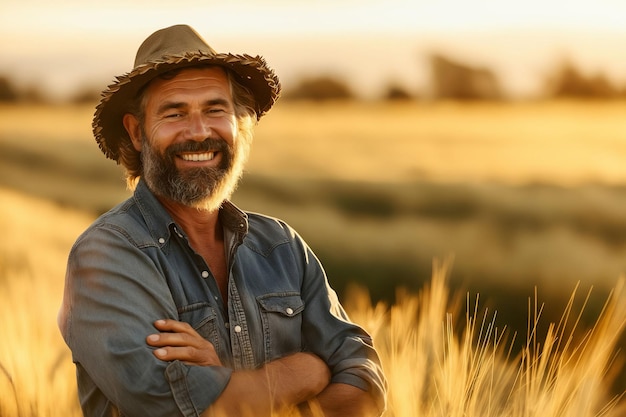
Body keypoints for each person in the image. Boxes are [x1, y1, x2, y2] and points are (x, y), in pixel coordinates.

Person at [58, 24, 387, 417]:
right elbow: (169, 408)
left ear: (238, 123)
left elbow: (366, 390)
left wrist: (226, 379)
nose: (199, 133)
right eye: (175, 112)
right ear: (137, 132)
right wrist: (306, 370)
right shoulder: (107, 256)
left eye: (215, 109)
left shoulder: (281, 246)